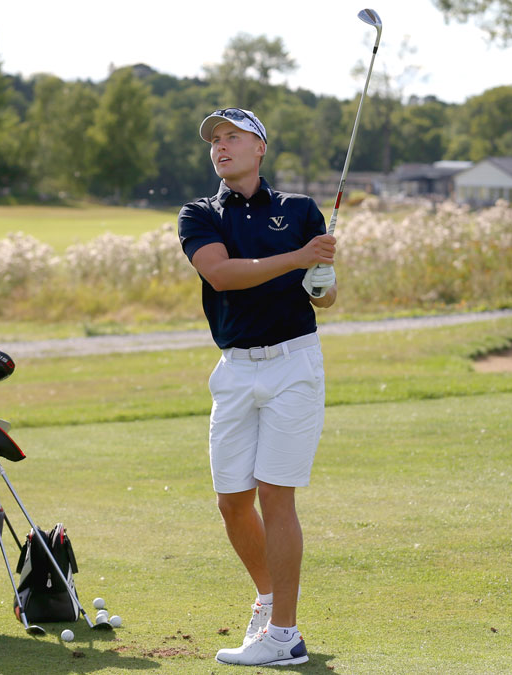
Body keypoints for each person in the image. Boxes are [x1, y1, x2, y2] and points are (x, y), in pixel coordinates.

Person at [177, 107, 337, 667]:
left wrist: (320, 278)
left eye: (232, 137)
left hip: (294, 363)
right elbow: (221, 275)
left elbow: (325, 297)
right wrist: (299, 258)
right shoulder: (199, 214)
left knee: (275, 493)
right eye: (214, 140)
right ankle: (268, 602)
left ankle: (284, 635)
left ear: (259, 147)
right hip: (236, 369)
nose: (220, 147)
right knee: (232, 501)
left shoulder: (300, 210)